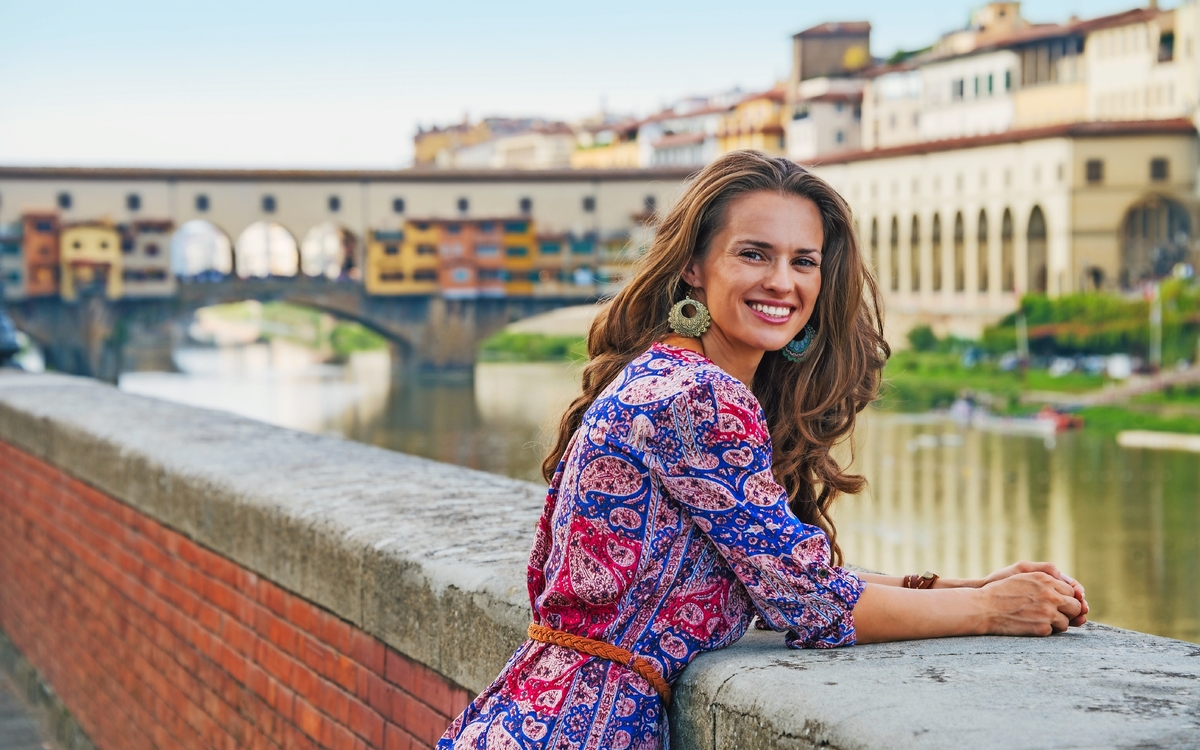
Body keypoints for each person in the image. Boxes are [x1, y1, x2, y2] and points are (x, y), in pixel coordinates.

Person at [439, 151, 1087, 749]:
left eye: (803, 261)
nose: (782, 281)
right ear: (694, 264)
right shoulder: (698, 399)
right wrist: (987, 611)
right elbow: (809, 599)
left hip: (534, 718)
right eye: (755, 254)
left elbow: (775, 569)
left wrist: (963, 583)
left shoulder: (662, 372)